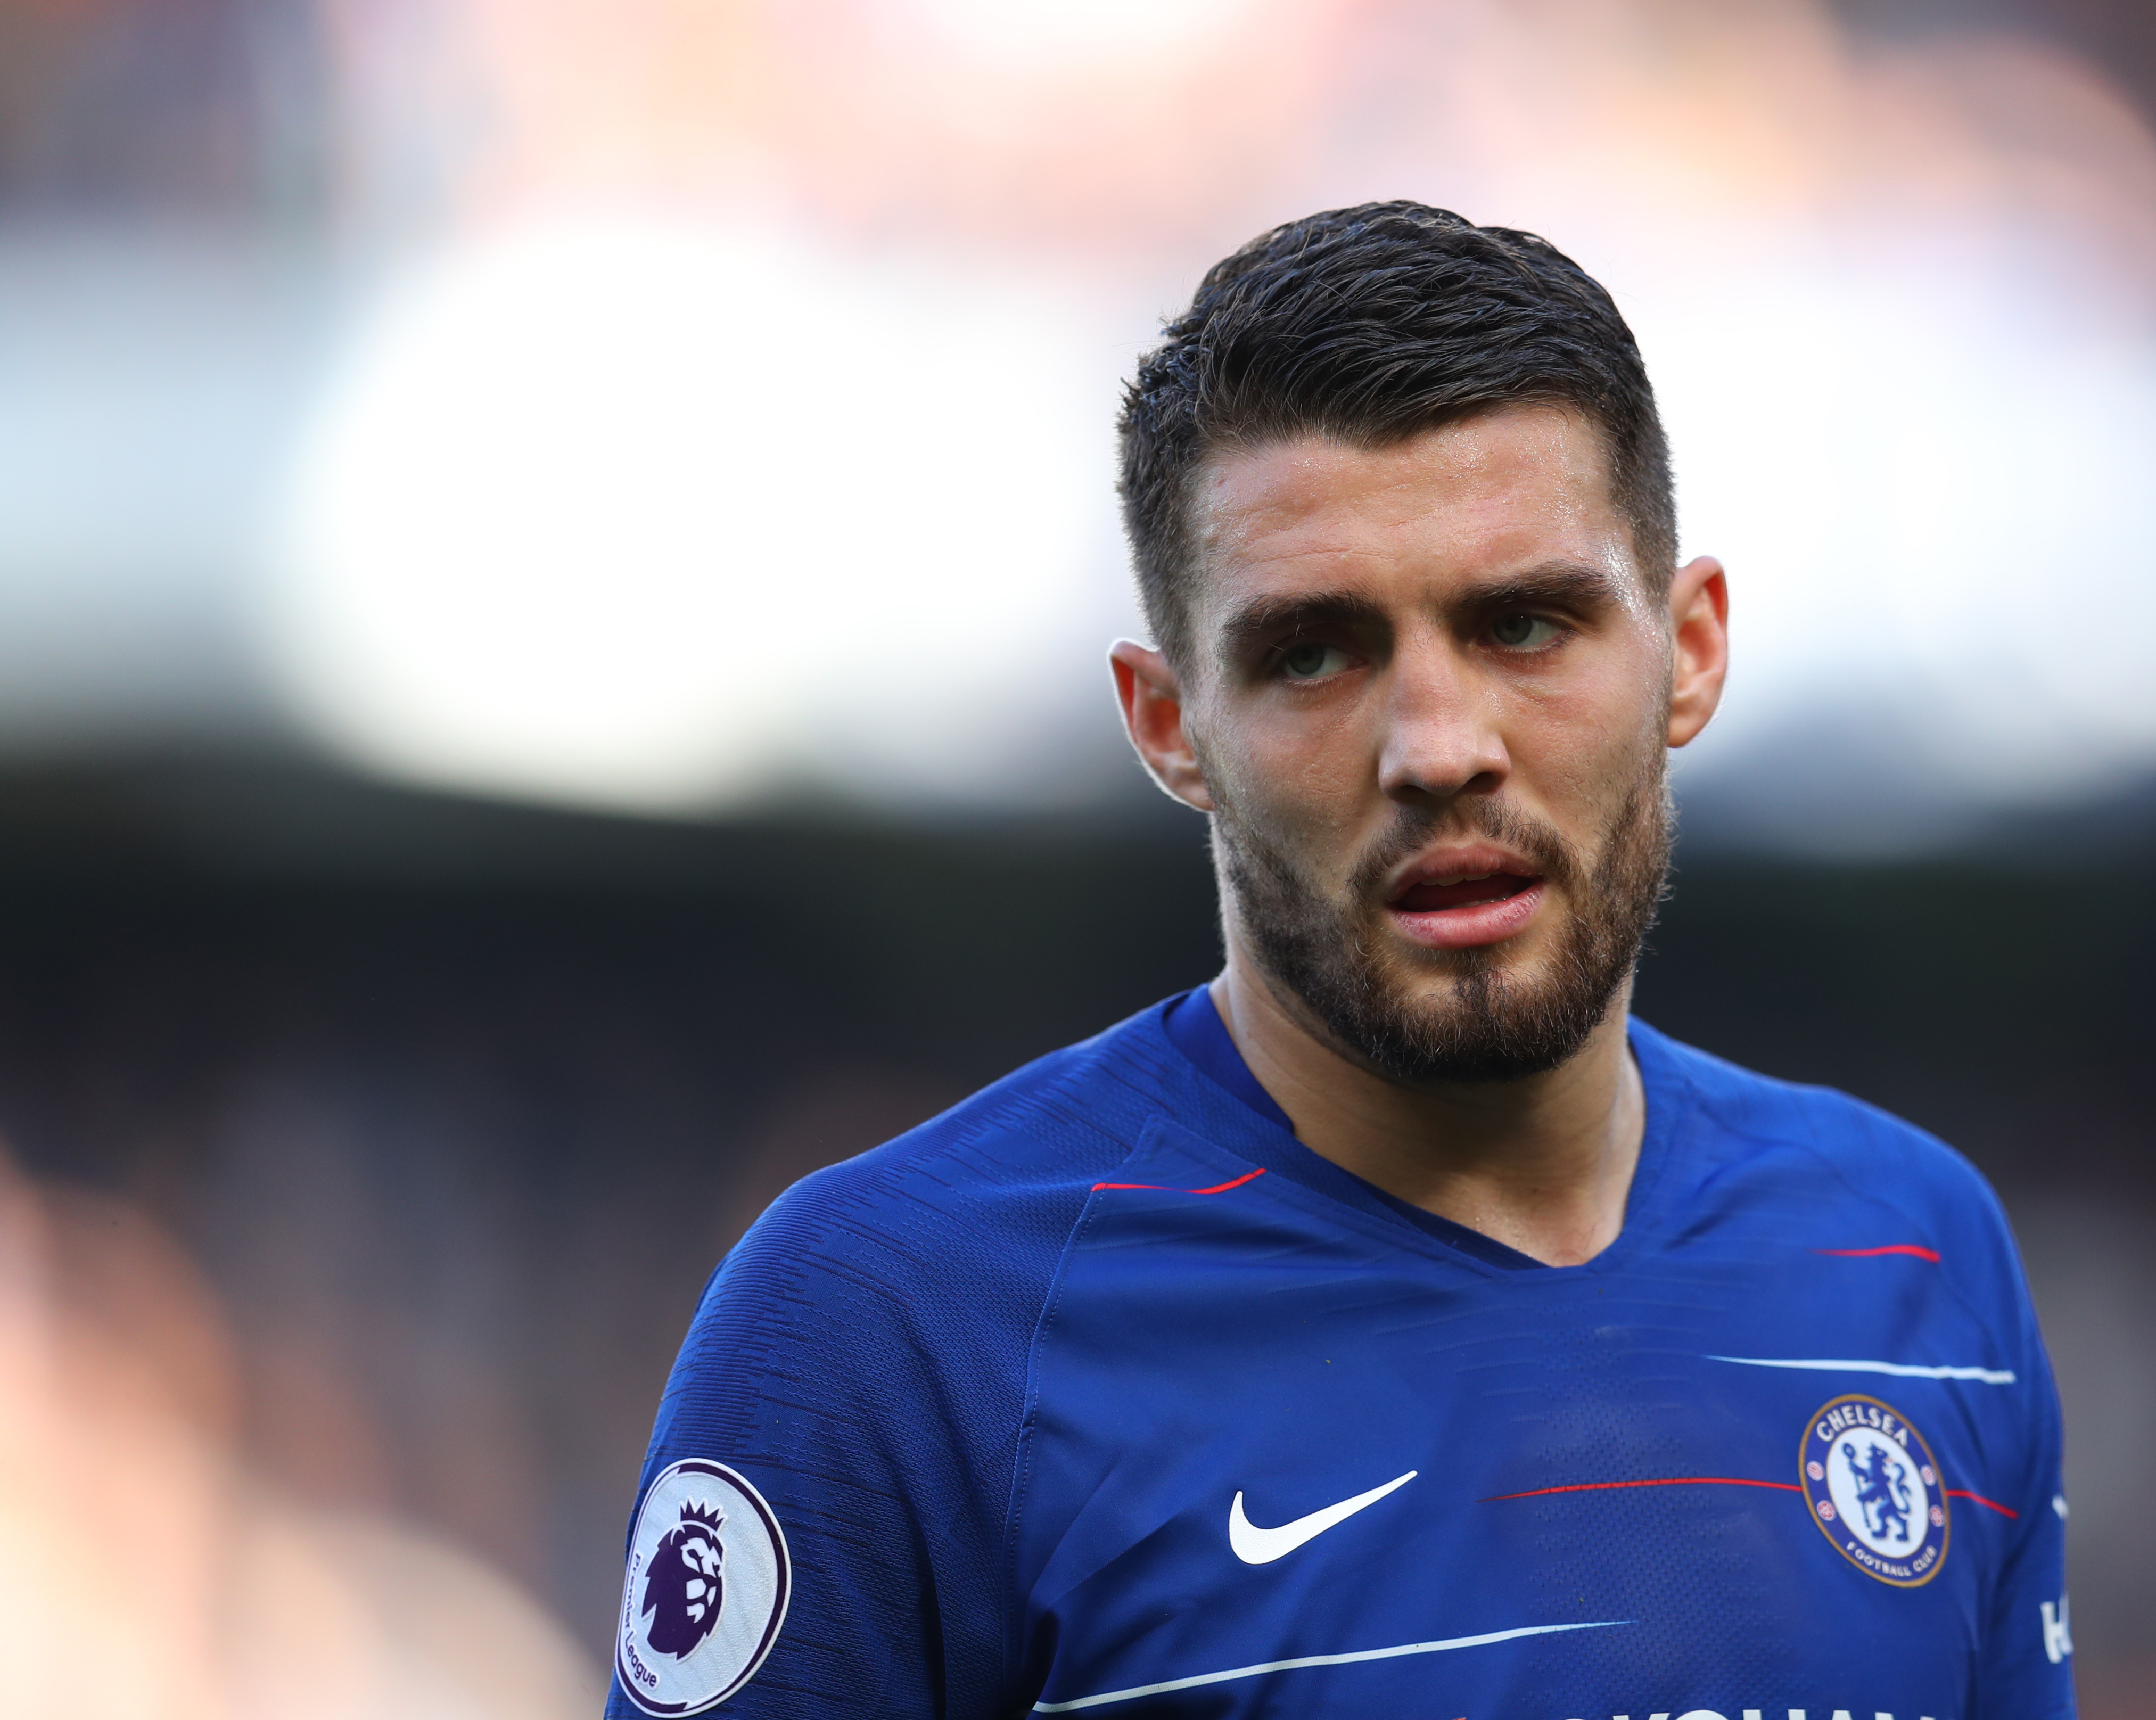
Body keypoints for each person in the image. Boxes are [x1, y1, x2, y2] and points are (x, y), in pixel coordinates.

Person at [605, 203, 2075, 1720]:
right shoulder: (893, 1326)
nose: (1439, 748)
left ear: (1690, 648)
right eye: (1313, 652)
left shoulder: (1919, 1259)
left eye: (1524, 624)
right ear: (1171, 726)